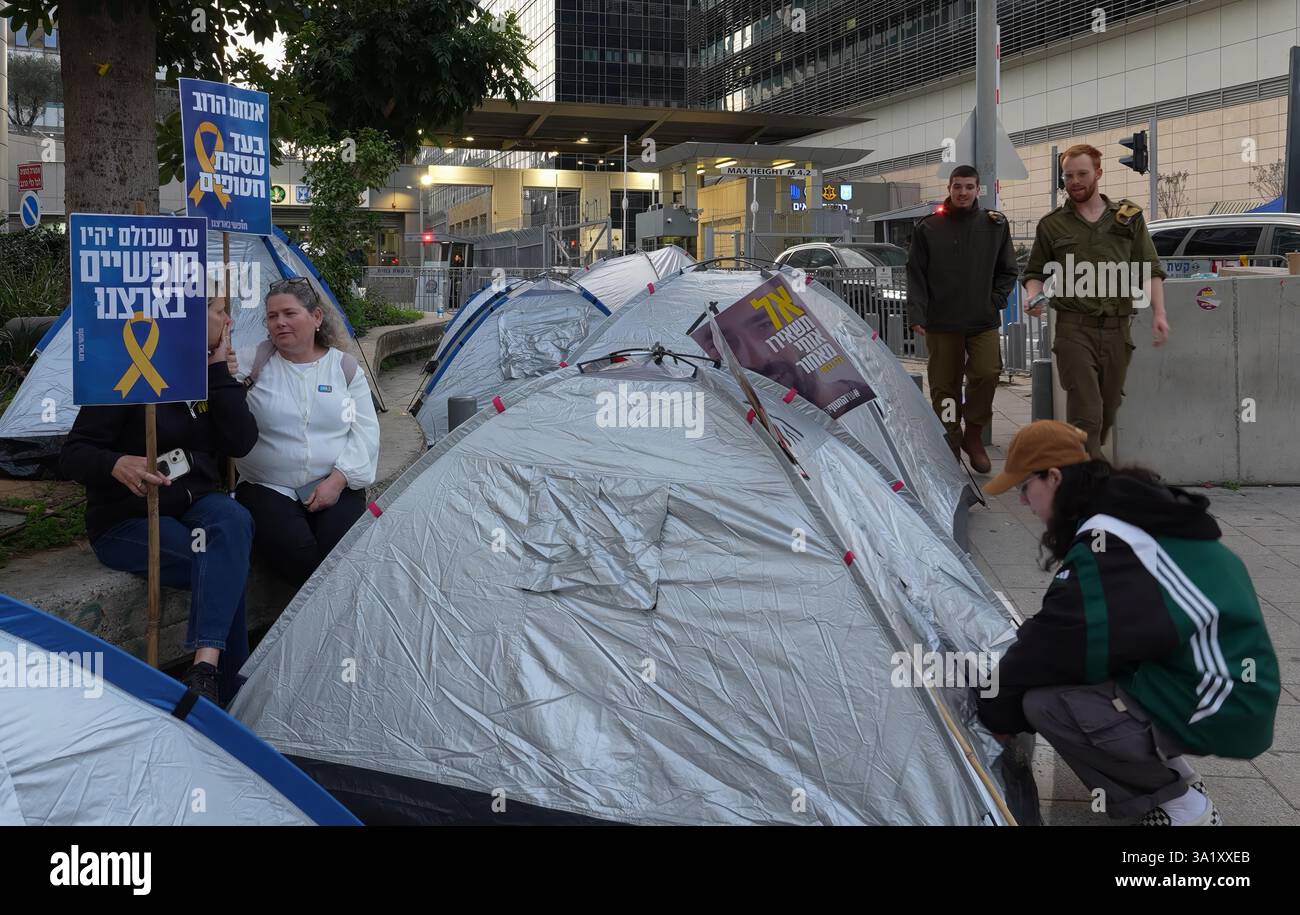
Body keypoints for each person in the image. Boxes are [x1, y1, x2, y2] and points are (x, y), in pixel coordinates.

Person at [978, 420, 1280, 826]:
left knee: (1047, 704)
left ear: (1053, 477)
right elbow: (1071, 629)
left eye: (1023, 488)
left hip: (1224, 700)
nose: (1023, 502)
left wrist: (995, 714)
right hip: (1231, 686)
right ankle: (1179, 778)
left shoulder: (1113, 543)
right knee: (1080, 669)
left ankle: (1181, 809)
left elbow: (1055, 643)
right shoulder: (1127, 515)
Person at [61, 298, 259, 706]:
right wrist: (116, 463)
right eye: (218, 311)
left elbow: (241, 442)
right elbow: (73, 453)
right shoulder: (130, 370)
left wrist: (219, 373)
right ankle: (226, 687)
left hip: (195, 502)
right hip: (129, 518)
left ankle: (205, 671)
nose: (229, 320)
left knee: (235, 520)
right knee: (221, 565)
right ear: (187, 316)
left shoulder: (208, 373)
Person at [1022, 144, 1170, 461]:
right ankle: (1091, 475)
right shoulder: (1052, 225)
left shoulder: (1128, 219)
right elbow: (1034, 272)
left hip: (1118, 330)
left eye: (1082, 174)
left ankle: (1080, 456)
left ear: (1098, 173)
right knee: (1086, 409)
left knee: (1109, 407)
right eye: (1068, 175)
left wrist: (1160, 313)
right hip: (1073, 328)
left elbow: (1150, 268)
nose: (1074, 181)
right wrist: (1032, 296)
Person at [232, 277, 380, 589]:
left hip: (335, 482)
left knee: (341, 552)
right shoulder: (250, 362)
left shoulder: (344, 368)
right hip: (267, 486)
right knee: (299, 556)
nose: (279, 323)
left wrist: (337, 482)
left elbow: (365, 431)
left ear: (316, 317)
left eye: (289, 313)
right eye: (272, 317)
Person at [906, 165, 1019, 472]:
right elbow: (915, 274)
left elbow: (1008, 269)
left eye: (969, 187)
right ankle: (950, 446)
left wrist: (994, 300)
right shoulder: (929, 228)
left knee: (987, 373)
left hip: (982, 320)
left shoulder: (994, 225)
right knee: (945, 388)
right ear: (950, 188)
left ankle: (974, 434)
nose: (963, 192)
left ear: (978, 189)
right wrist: (918, 313)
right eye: (958, 186)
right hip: (942, 322)